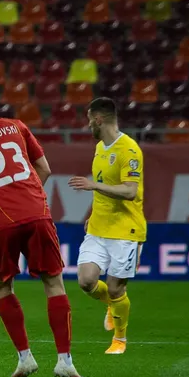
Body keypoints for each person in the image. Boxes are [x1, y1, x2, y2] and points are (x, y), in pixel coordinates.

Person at [0, 83, 81, 377]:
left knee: (3, 287)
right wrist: (28, 197)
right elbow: (44, 168)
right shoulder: (17, 126)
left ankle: (25, 358)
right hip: (36, 214)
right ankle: (65, 361)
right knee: (54, 283)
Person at [67, 98, 144, 355]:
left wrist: (93, 185)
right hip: (98, 227)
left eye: (89, 120)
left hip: (125, 229)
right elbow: (103, 190)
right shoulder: (100, 147)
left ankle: (119, 339)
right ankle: (111, 304)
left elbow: (130, 191)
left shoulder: (129, 150)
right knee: (86, 281)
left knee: (115, 287)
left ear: (98, 120)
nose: (88, 125)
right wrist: (92, 212)